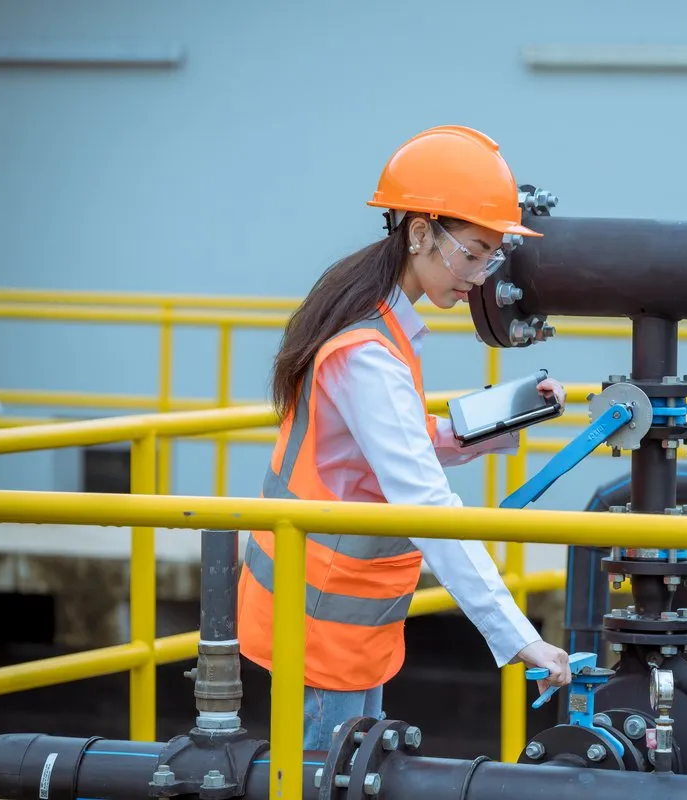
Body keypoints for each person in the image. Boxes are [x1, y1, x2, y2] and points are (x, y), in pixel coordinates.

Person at [236, 124, 573, 750]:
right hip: (322, 615)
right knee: (325, 781)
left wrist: (489, 426)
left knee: (342, 773)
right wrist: (517, 634)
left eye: (492, 255)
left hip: (337, 608)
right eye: (473, 250)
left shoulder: (376, 321)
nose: (481, 274)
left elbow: (393, 441)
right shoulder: (369, 353)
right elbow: (424, 499)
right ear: (420, 233)